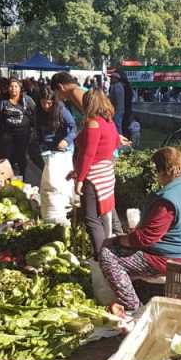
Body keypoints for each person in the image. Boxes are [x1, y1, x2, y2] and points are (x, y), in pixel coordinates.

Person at [99, 147, 181, 310]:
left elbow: (145, 238)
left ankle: (133, 306)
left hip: (168, 259)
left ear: (163, 171)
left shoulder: (167, 200)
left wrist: (116, 240)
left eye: (157, 171)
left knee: (108, 255)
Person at [70, 89, 122, 255]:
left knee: (91, 218)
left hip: (94, 176)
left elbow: (88, 154)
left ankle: (102, 256)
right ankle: (111, 250)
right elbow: (115, 143)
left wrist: (80, 179)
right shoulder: (109, 122)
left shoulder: (93, 123)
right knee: (106, 213)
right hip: (107, 172)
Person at [34, 86, 77, 225]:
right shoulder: (38, 111)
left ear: (54, 101)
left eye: (49, 102)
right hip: (48, 150)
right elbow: (38, 130)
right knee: (50, 182)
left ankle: (64, 210)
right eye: (43, 102)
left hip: (63, 150)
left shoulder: (62, 111)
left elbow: (73, 128)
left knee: (62, 183)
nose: (46, 106)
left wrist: (66, 140)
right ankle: (51, 212)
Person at [0, 79, 37, 178]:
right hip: (6, 135)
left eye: (16, 86)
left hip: (23, 134)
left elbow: (35, 115)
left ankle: (23, 178)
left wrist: (34, 130)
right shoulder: (3, 101)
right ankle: (9, 178)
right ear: (8, 88)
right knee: (8, 158)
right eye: (11, 86)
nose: (13, 89)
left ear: (20, 88)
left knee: (21, 157)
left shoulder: (27, 100)